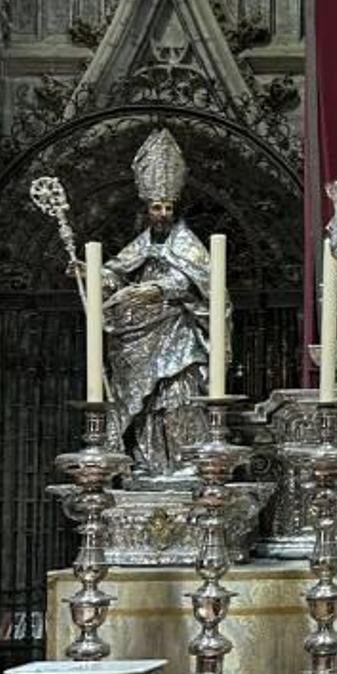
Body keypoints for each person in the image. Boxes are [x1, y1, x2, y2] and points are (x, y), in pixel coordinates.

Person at [98, 129, 219, 477]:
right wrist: (90, 272)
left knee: (178, 394)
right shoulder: (142, 242)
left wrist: (160, 290)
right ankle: (151, 465)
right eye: (156, 206)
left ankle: (184, 463)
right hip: (140, 334)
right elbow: (115, 271)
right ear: (147, 208)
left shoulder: (188, 244)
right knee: (147, 405)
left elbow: (205, 284)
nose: (163, 213)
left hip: (178, 331)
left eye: (168, 206)